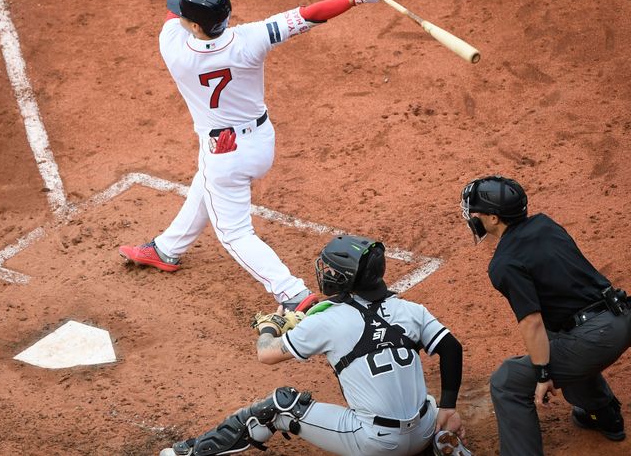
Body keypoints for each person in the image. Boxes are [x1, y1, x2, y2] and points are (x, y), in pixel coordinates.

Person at [119, 0, 385, 311]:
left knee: (234, 233)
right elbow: (309, 15)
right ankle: (167, 248)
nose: (178, 17)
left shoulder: (173, 48)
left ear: (195, 27)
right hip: (260, 143)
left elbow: (172, 17)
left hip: (224, 153)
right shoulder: (252, 38)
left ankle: (291, 292)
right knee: (207, 180)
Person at [159, 235, 471, 456]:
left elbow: (266, 354)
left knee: (279, 406)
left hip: (375, 443)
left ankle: (190, 453)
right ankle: (442, 441)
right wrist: (448, 408)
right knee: (416, 393)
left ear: (345, 279)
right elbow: (452, 349)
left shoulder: (326, 321)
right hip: (425, 427)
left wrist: (269, 327)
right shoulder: (411, 310)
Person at [460, 175, 631, 454]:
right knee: (558, 337)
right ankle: (603, 413)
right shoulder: (545, 224)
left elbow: (532, 322)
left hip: (596, 338)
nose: (473, 216)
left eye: (477, 212)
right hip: (621, 313)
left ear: (493, 219)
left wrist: (543, 375)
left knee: (507, 381)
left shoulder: (504, 263)